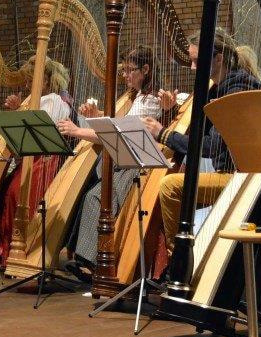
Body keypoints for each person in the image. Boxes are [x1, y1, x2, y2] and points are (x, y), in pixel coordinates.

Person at [57, 45, 174, 281]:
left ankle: (93, 262)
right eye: (123, 70)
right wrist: (97, 115)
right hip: (123, 161)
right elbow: (118, 124)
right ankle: (85, 256)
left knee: (97, 197)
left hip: (134, 165)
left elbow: (117, 132)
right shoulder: (137, 96)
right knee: (91, 192)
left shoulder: (151, 100)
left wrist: (77, 130)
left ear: (145, 70)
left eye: (130, 70)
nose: (125, 75)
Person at [144, 28, 261, 255]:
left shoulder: (237, 90)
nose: (192, 68)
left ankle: (178, 256)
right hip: (229, 173)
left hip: (242, 178)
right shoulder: (219, 88)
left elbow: (211, 146)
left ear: (219, 58)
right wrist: (172, 110)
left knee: (170, 186)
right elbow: (196, 129)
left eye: (197, 61)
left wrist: (163, 134)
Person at [0, 56, 75, 265]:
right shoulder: (38, 100)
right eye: (27, 80)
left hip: (45, 159)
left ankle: (21, 249)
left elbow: (40, 134)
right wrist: (17, 110)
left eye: (31, 80)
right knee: (6, 190)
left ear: (45, 80)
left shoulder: (54, 100)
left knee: (16, 193)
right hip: (31, 157)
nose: (27, 85)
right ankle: (8, 248)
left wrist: (10, 120)